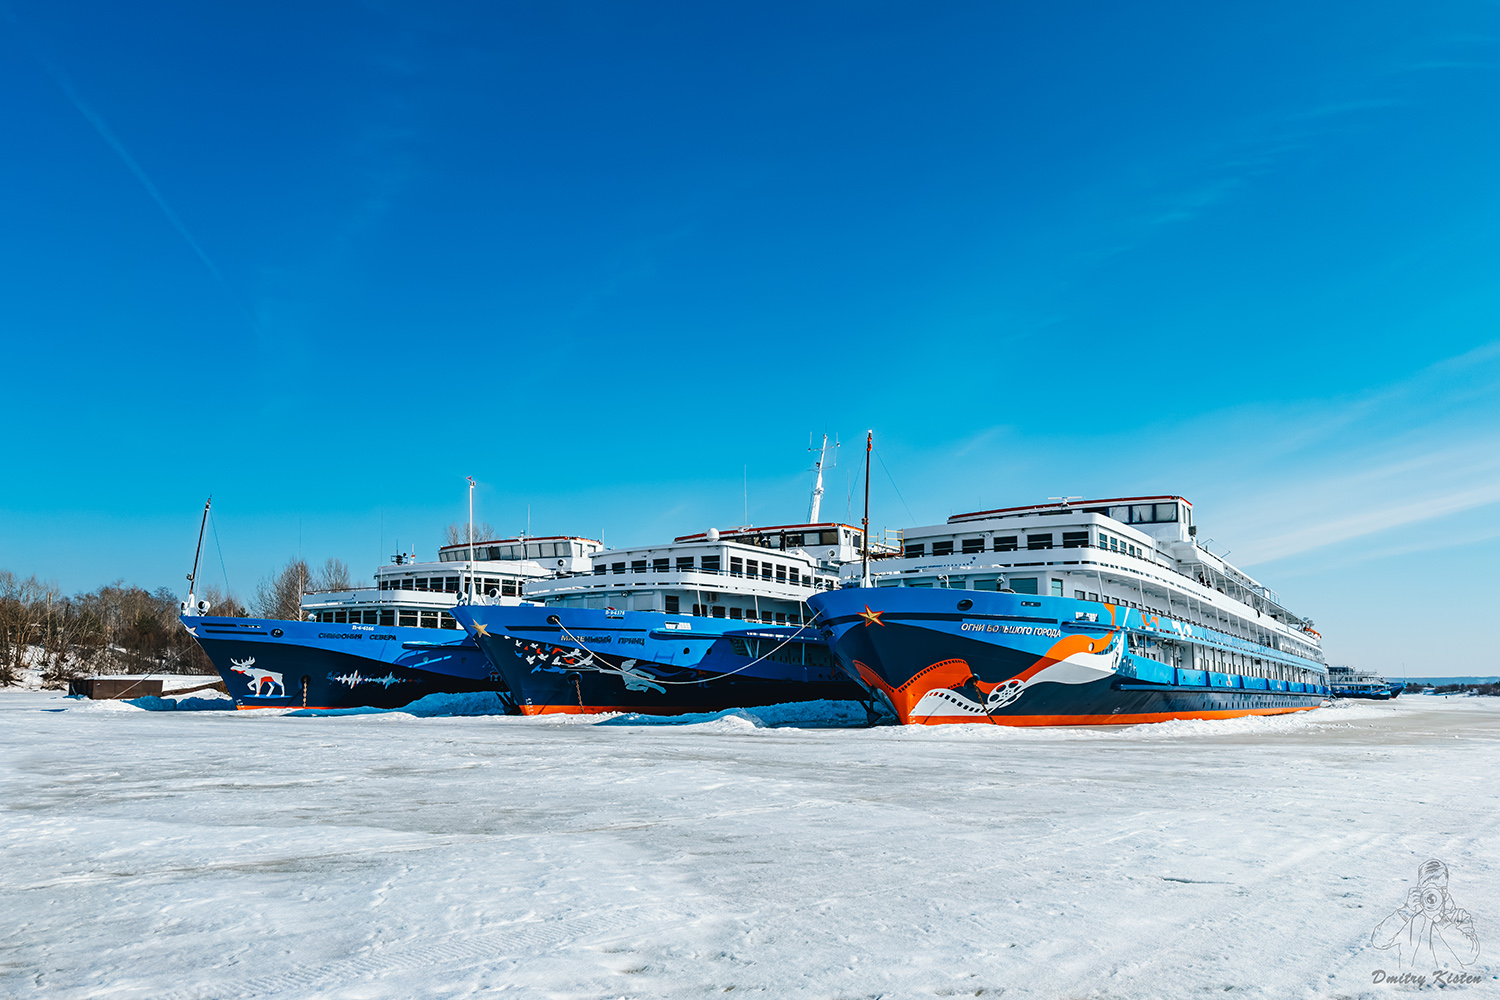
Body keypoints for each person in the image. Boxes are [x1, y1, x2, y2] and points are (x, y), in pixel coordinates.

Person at [1372, 860, 1480, 970]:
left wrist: (1442, 921)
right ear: (1419, 888)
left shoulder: (1459, 916)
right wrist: (1406, 911)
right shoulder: (1408, 917)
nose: (1434, 895)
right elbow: (1379, 942)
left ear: (1446, 889)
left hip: (1448, 979)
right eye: (1429, 888)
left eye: (1441, 889)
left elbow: (1469, 956)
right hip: (1409, 978)